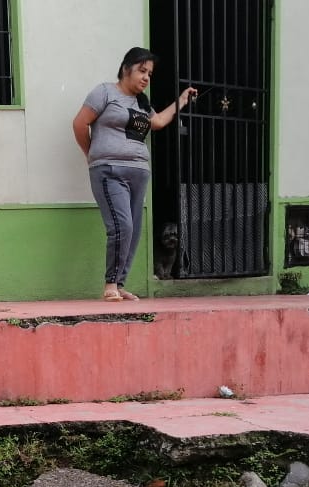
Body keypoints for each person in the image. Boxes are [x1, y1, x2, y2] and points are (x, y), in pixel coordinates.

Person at [72, 47, 197, 301]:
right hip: (110, 171)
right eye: (142, 71)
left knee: (134, 230)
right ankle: (110, 284)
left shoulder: (142, 103)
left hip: (139, 174)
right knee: (122, 226)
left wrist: (182, 100)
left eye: (149, 73)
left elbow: (158, 122)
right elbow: (79, 123)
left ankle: (119, 284)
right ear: (125, 69)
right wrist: (92, 154)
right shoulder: (105, 92)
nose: (146, 77)